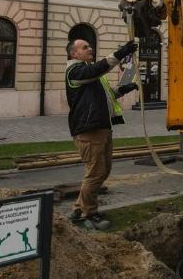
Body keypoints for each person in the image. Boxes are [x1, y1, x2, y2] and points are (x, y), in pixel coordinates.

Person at [66, 39, 138, 230]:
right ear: (74, 54)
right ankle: (89, 213)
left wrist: (122, 89)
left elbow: (106, 94)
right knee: (95, 173)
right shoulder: (75, 71)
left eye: (89, 46)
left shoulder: (90, 73)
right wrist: (121, 52)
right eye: (85, 47)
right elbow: (96, 70)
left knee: (102, 171)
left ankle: (77, 209)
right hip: (89, 130)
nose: (90, 48)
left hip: (102, 128)